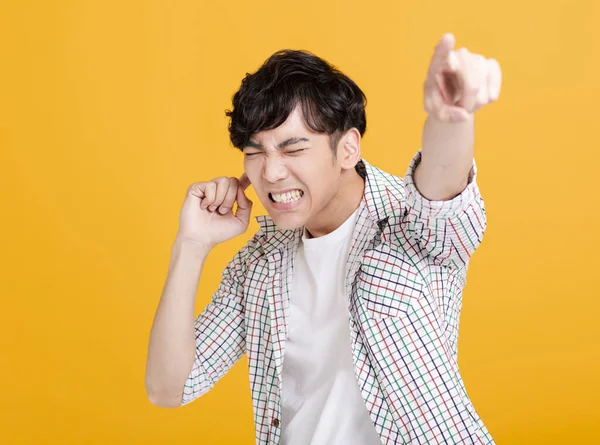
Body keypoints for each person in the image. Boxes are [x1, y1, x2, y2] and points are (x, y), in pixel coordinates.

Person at [145, 32, 502, 445]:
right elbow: (169, 387)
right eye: (255, 151)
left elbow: (442, 188)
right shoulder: (258, 264)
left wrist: (449, 116)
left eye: (293, 149)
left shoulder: (408, 226)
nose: (271, 173)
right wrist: (191, 245)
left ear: (348, 149)